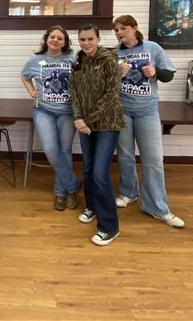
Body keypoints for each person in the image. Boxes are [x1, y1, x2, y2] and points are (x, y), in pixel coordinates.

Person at [113, 15, 185, 228]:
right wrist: (117, 72)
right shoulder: (114, 53)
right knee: (125, 155)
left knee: (153, 159)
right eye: (116, 30)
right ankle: (128, 193)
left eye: (123, 28)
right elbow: (105, 81)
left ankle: (157, 207)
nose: (119, 33)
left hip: (147, 112)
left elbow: (169, 75)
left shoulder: (153, 47)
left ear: (134, 28)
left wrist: (155, 72)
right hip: (122, 110)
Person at [69, 23, 126, 246]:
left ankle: (109, 227)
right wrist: (78, 118)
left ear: (98, 39)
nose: (86, 43)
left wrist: (87, 120)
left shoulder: (109, 60)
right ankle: (92, 206)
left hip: (107, 124)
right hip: (84, 124)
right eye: (82, 39)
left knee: (100, 173)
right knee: (88, 168)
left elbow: (111, 95)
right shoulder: (78, 61)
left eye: (90, 39)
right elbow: (73, 92)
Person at [21, 25, 79, 211]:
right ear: (47, 39)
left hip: (67, 111)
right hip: (43, 110)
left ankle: (60, 192)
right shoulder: (35, 60)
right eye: (52, 37)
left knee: (65, 150)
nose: (55, 40)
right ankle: (72, 185)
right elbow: (24, 76)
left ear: (65, 42)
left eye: (60, 38)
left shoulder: (73, 59)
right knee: (50, 149)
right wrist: (31, 91)